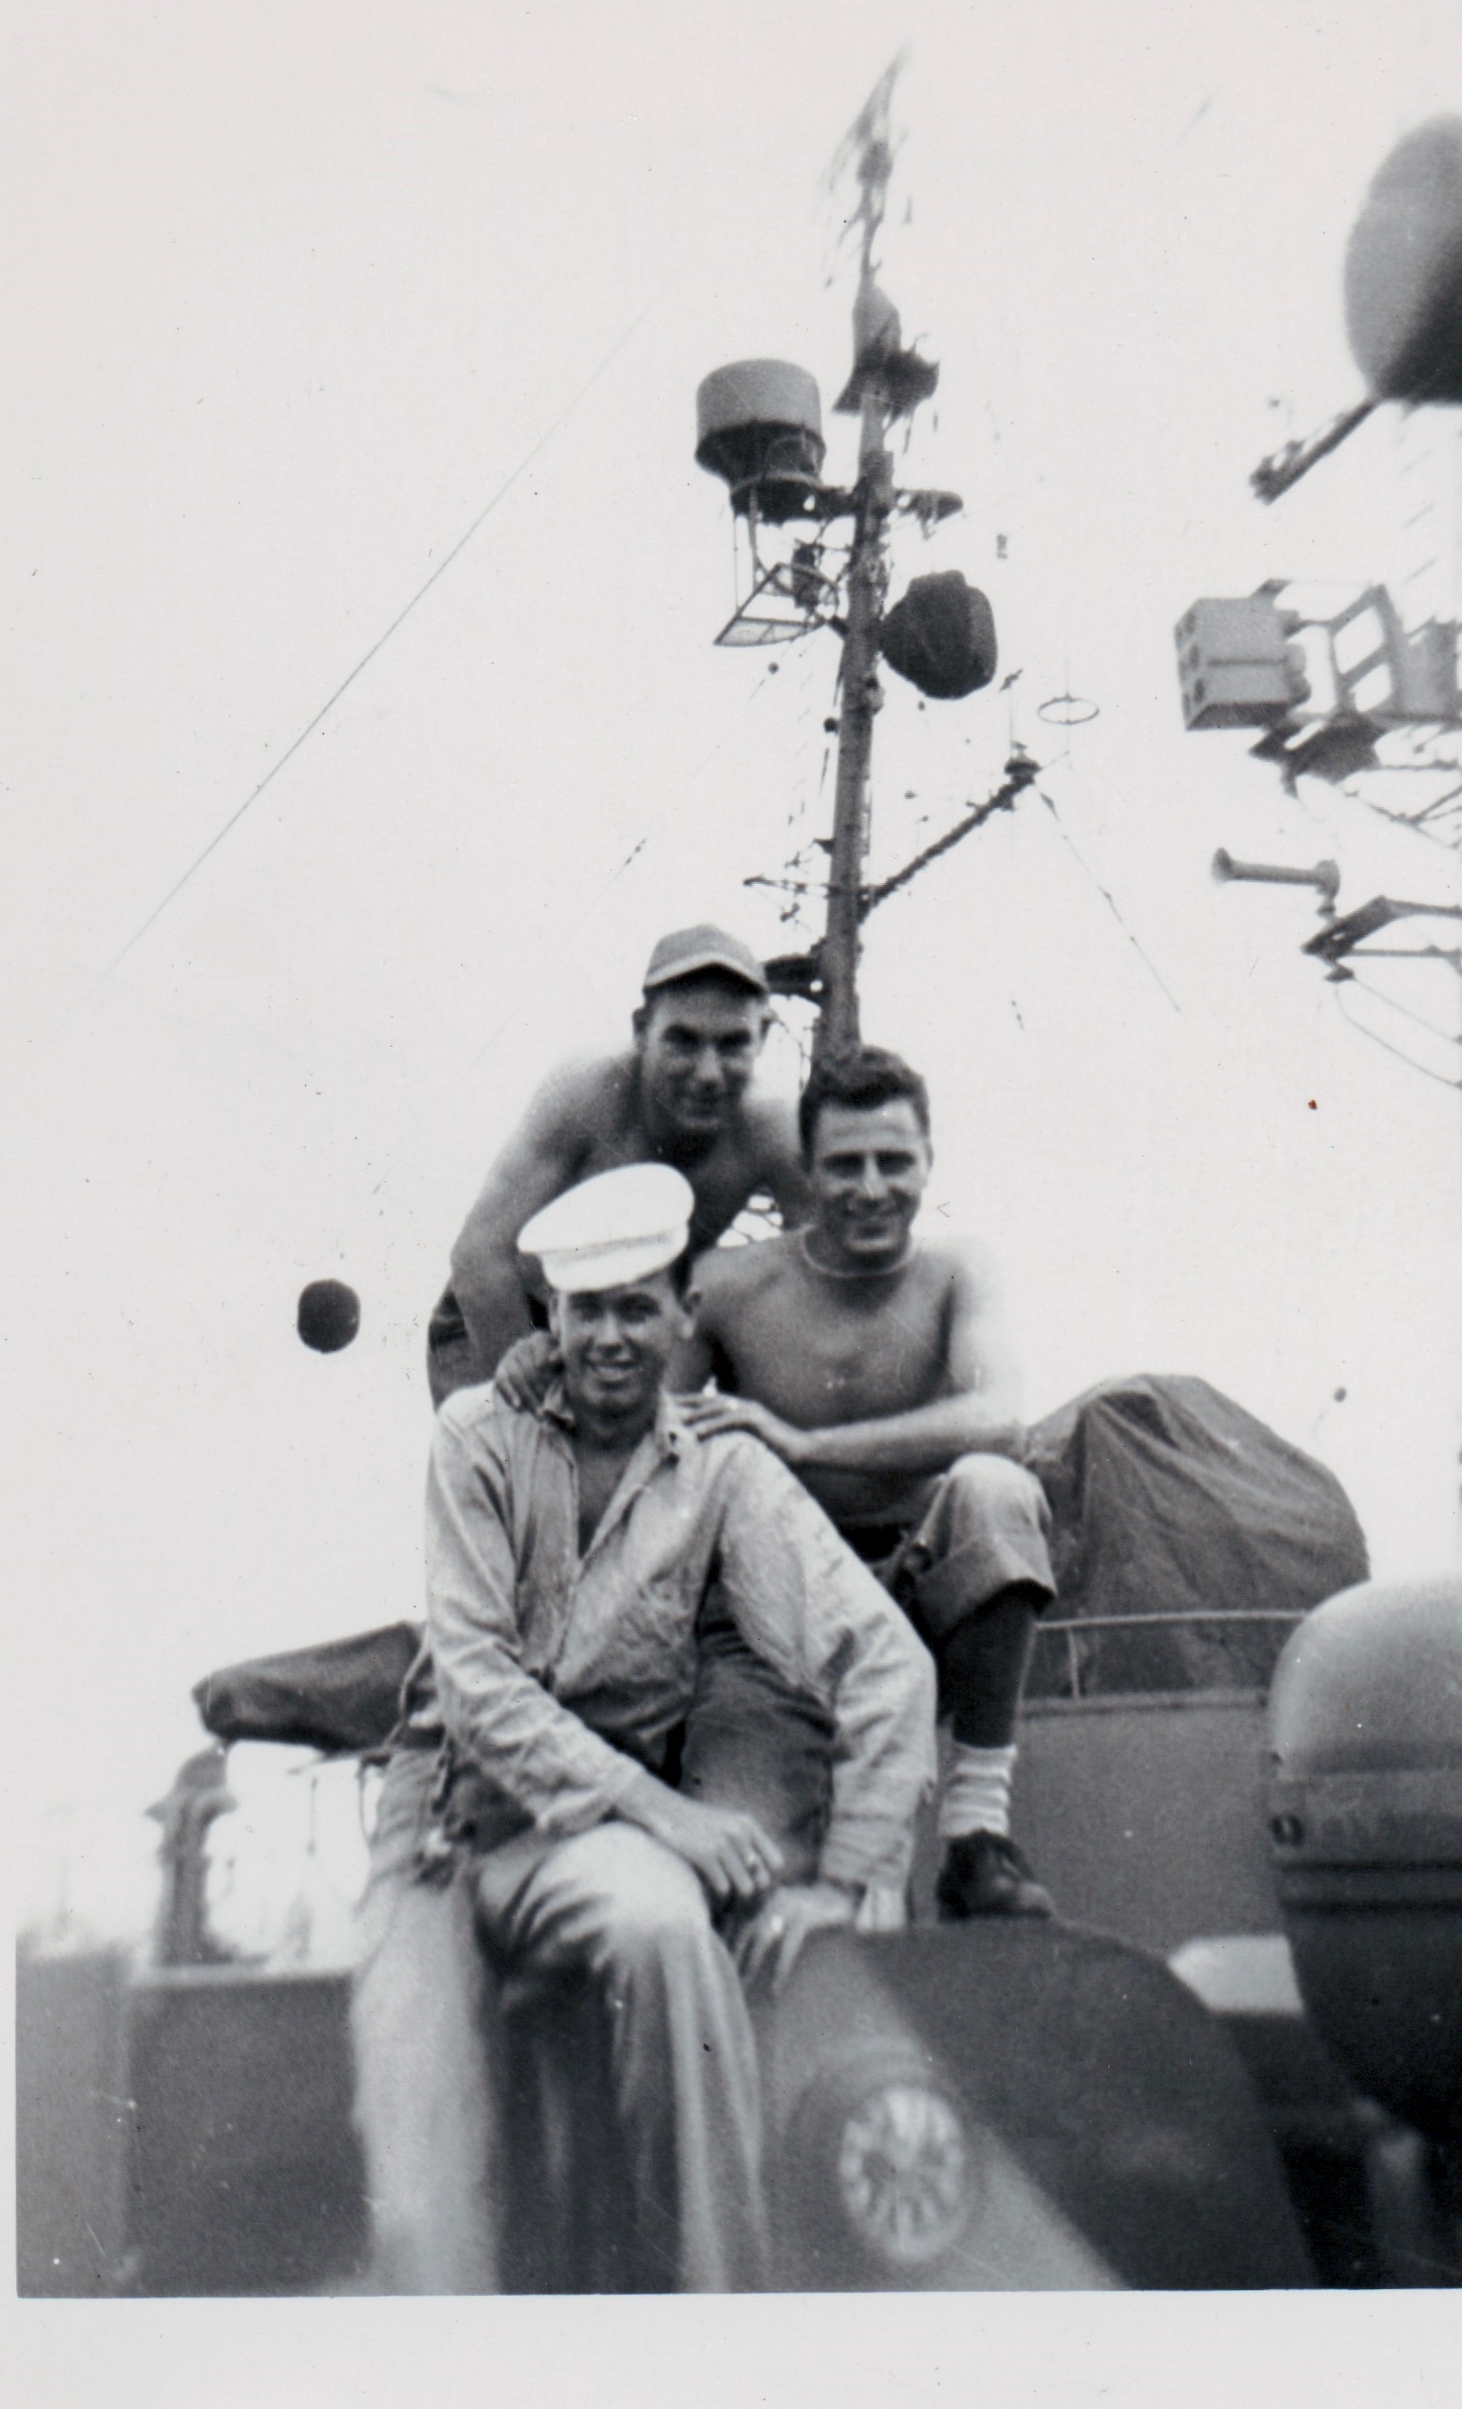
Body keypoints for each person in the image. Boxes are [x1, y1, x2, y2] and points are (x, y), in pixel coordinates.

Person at [350, 1162, 934, 2295]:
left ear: (682, 1313)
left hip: (583, 1842)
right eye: (586, 1309)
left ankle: (716, 2318)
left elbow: (882, 1658)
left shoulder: (721, 1474)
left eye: (636, 1305)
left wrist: (849, 1869)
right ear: (551, 1319)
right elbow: (477, 1684)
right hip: (442, 1833)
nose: (610, 1336)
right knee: (420, 2172)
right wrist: (670, 1814)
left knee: (668, 1929)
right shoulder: (478, 1438)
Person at [677, 1045, 1059, 1925]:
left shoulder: (956, 1271)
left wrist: (805, 1445)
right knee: (756, 1878)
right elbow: (658, 1449)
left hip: (920, 1593)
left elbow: (1000, 1415)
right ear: (806, 1173)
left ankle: (975, 1833)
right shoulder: (729, 1287)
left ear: (929, 1163)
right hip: (780, 1618)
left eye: (895, 1161)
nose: (871, 1187)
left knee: (993, 1487)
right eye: (844, 1165)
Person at [425, 924, 811, 1403]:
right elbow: (479, 1255)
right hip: (510, 1316)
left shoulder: (775, 1126)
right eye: (682, 1041)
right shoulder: (588, 1090)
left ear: (764, 1036)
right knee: (531, 1467)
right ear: (641, 1030)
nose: (708, 1073)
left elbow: (816, 1272)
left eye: (732, 1044)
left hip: (638, 1331)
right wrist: (541, 1404)